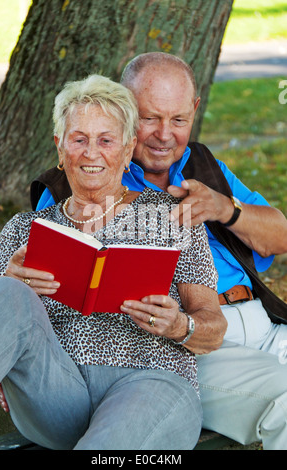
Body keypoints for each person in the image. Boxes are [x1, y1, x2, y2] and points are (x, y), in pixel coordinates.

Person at [30, 52, 287, 450]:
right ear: (124, 109)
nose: (164, 135)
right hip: (180, 344)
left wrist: (225, 208)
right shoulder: (78, 182)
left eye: (179, 120)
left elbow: (280, 237)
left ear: (194, 111)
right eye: (149, 118)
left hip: (262, 324)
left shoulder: (201, 163)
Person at [0, 74, 224, 450]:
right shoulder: (24, 230)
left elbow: (213, 328)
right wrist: (13, 287)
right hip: (56, 393)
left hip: (151, 382)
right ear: (60, 149)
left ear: (128, 149)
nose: (91, 152)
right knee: (4, 289)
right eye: (79, 139)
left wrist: (180, 324)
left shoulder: (172, 218)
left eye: (106, 140)